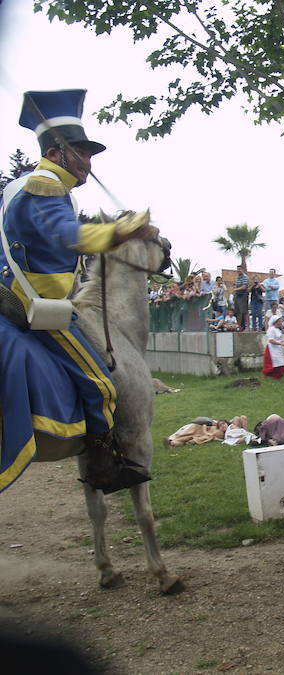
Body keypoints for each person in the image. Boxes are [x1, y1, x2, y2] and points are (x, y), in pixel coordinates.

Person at [0, 89, 155, 494]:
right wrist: (122, 231)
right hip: (35, 305)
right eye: (82, 153)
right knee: (103, 384)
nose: (89, 162)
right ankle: (106, 465)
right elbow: (67, 235)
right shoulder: (44, 186)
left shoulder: (28, 187)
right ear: (56, 152)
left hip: (22, 297)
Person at [232, 265, 250, 331]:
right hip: (237, 295)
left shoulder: (245, 277)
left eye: (240, 269)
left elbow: (244, 287)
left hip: (243, 295)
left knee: (245, 311)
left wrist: (236, 289)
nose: (238, 270)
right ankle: (239, 326)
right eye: (237, 269)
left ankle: (247, 327)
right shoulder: (237, 278)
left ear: (243, 270)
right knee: (238, 312)